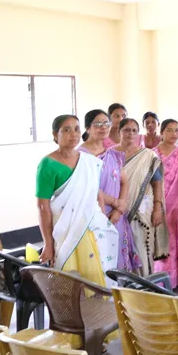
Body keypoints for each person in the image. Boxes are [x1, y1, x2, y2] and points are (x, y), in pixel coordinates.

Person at [37, 115, 118, 286]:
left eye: (76, 129)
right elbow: (43, 207)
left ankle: (97, 312)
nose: (73, 134)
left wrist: (103, 222)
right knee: (70, 280)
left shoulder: (89, 162)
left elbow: (96, 196)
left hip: (93, 228)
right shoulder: (47, 164)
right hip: (65, 231)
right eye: (66, 130)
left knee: (97, 277)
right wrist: (48, 244)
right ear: (55, 134)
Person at [79, 109, 140, 273]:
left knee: (117, 259)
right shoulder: (80, 156)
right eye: (98, 124)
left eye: (106, 123)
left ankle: (120, 295)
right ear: (87, 128)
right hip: (95, 215)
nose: (103, 127)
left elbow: (124, 181)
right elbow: (88, 189)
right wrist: (116, 203)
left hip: (116, 215)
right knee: (98, 257)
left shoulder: (113, 153)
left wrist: (120, 210)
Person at [117, 118, 169, 276]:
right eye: (126, 130)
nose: (130, 134)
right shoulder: (110, 155)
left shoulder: (147, 156)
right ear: (119, 132)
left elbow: (157, 182)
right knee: (118, 251)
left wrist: (158, 208)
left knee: (142, 249)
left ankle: (145, 288)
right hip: (116, 212)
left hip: (142, 211)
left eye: (134, 130)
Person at [153, 119, 178, 287]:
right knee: (163, 242)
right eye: (169, 130)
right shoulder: (152, 154)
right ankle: (164, 280)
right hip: (160, 205)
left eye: (176, 130)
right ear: (161, 132)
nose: (173, 134)